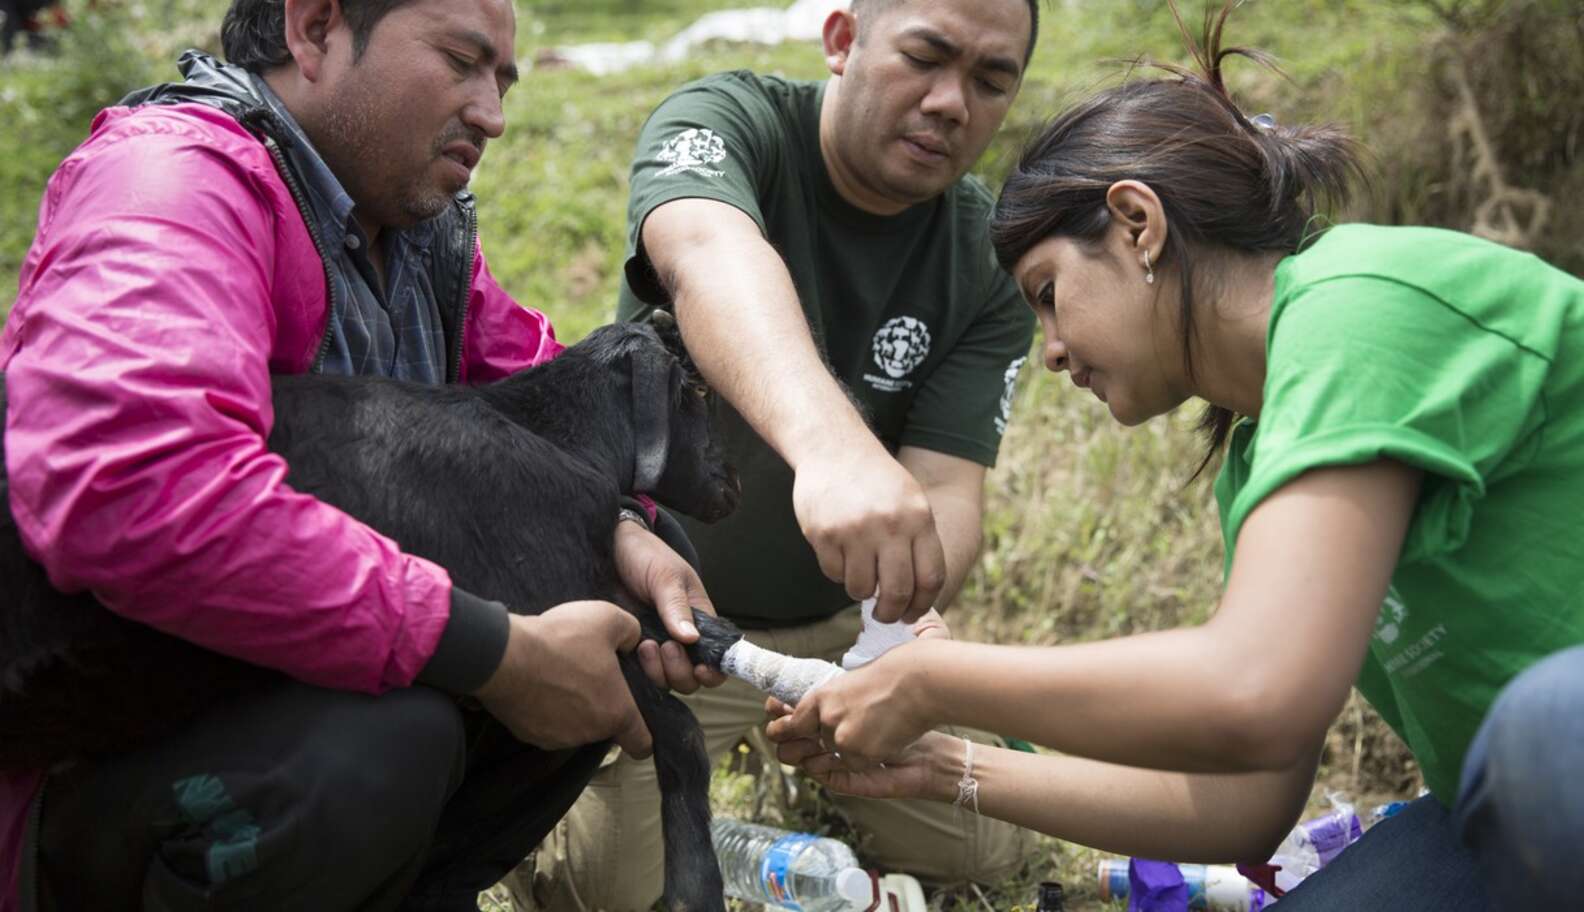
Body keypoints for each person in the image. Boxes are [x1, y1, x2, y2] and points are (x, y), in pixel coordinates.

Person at [764, 5, 1584, 910]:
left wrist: (936, 678)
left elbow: (1254, 689)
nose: (1053, 352)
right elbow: (1243, 805)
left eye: (1050, 294)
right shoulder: (1260, 456)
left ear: (1137, 224)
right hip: (1515, 806)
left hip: (1555, 756)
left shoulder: (1361, 307)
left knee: (1546, 736)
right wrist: (946, 763)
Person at [0, 0, 721, 908]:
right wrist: (494, 652)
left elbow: (544, 417)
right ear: (314, 29)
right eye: (461, 61)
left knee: (584, 613)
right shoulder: (172, 184)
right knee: (392, 742)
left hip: (259, 694)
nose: (492, 112)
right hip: (95, 743)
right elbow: (132, 489)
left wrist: (626, 530)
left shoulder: (414, 236)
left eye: (501, 80)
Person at [516, 0, 1041, 907]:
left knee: (992, 848)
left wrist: (907, 619)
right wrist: (834, 447)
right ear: (843, 41)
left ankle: (815, 767)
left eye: (991, 80)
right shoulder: (727, 124)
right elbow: (709, 255)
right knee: (599, 890)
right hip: (664, 615)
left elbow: (951, 484)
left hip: (841, 640)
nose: (952, 102)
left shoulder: (982, 257)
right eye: (926, 57)